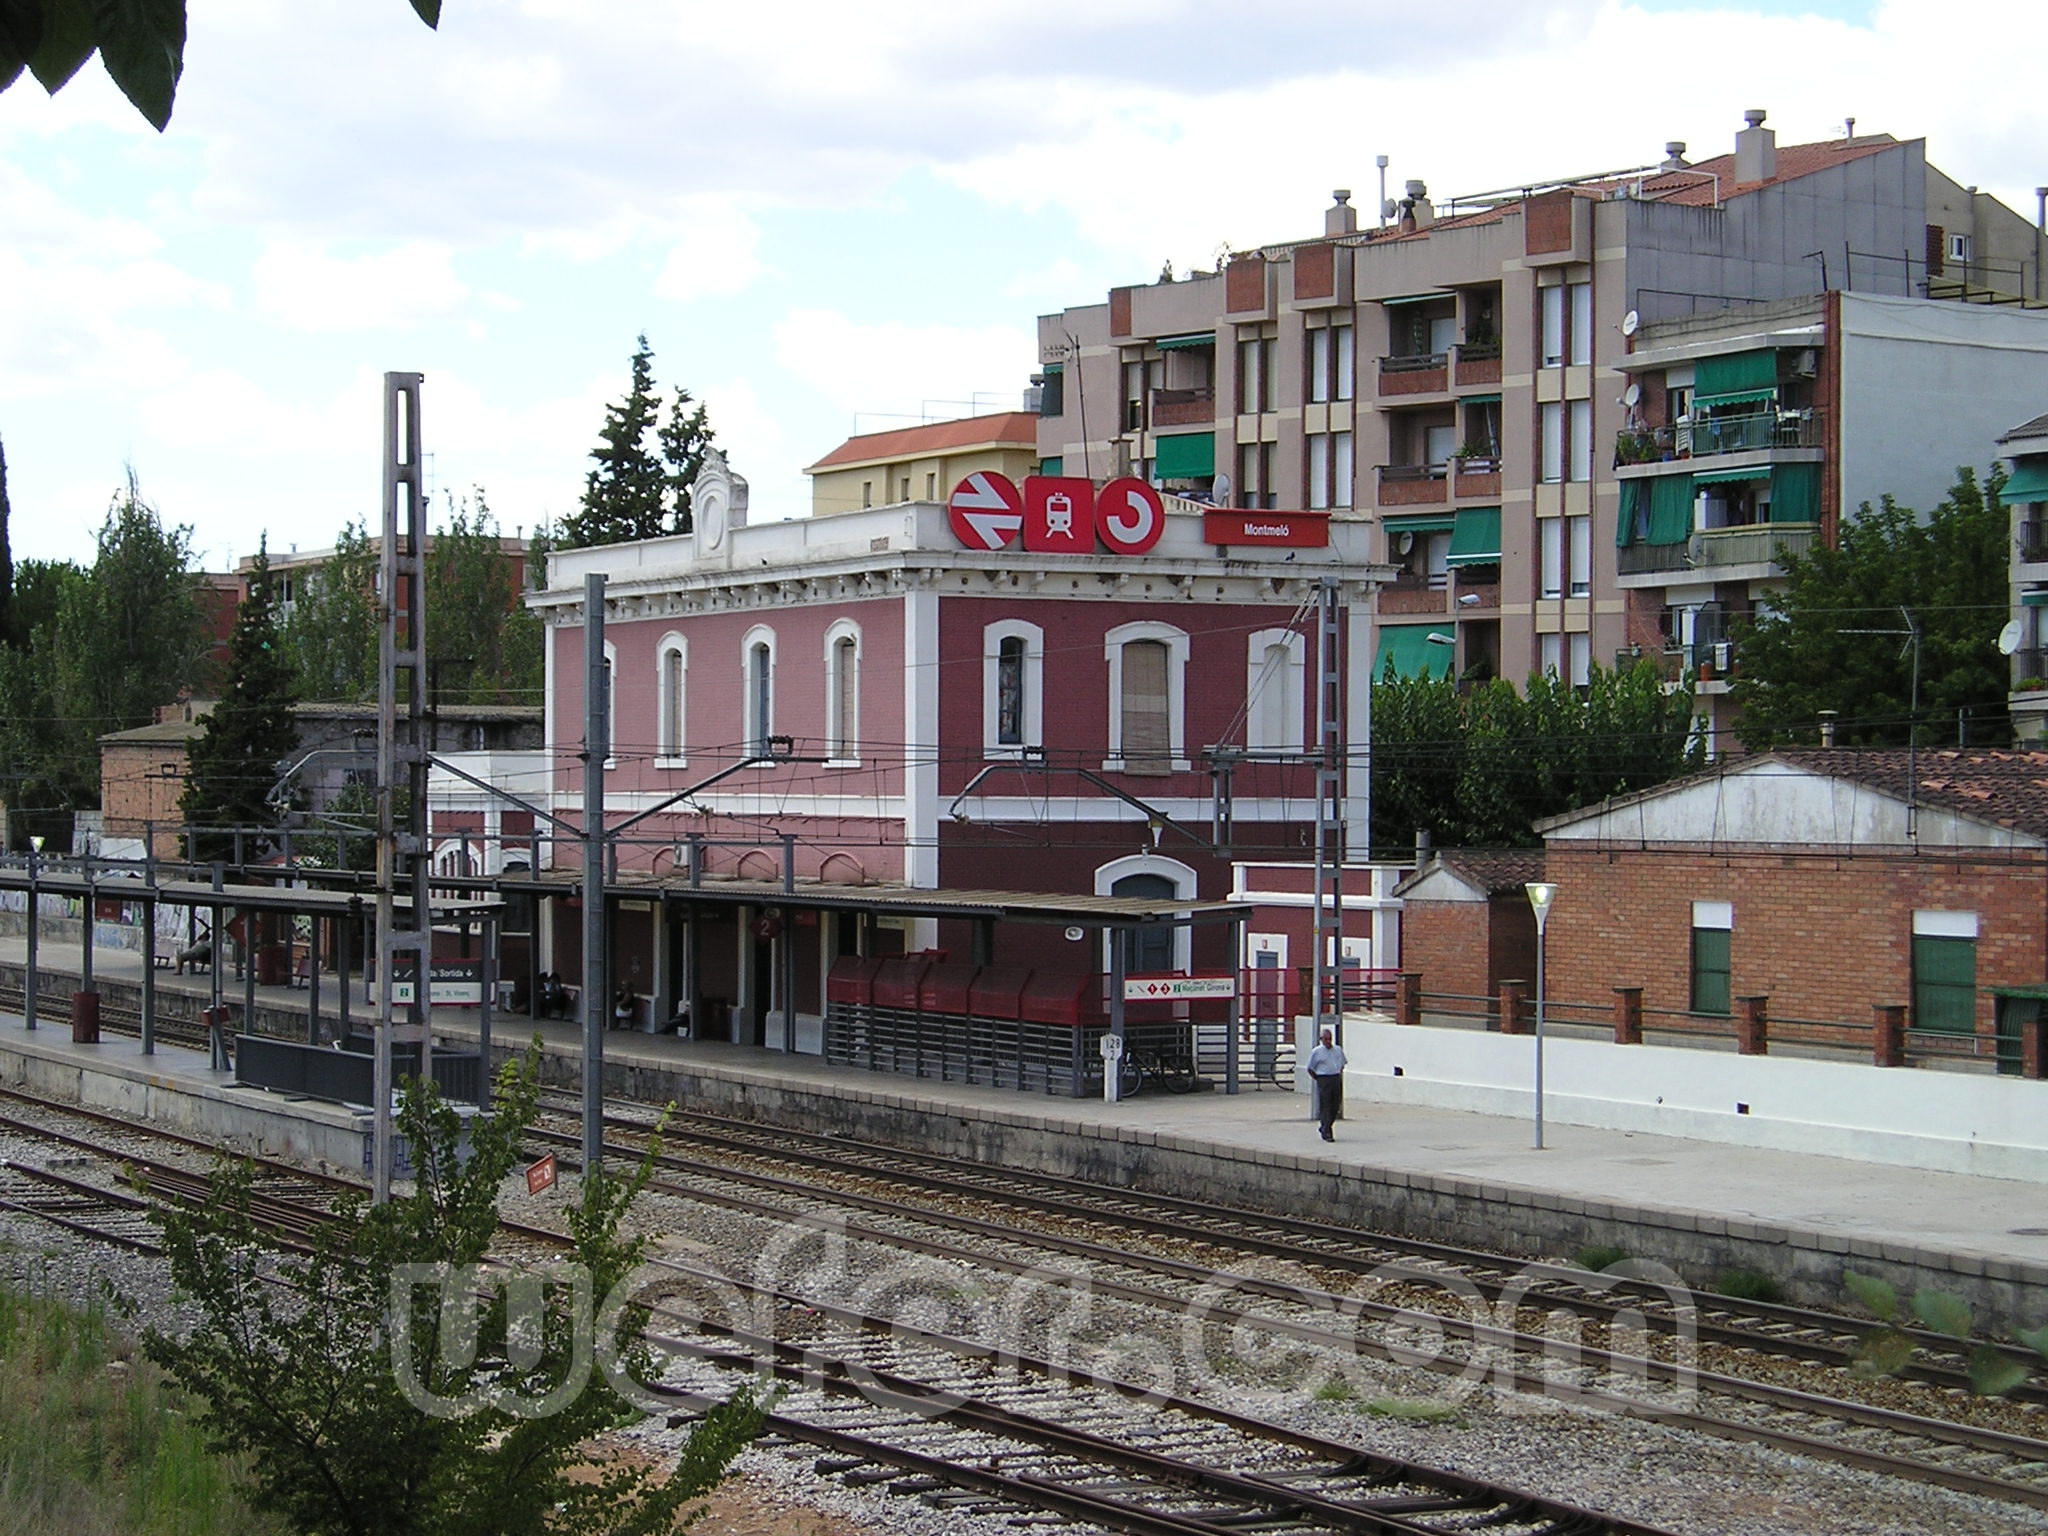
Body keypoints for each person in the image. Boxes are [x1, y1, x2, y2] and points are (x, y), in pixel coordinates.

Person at [1305, 1026, 1347, 1142]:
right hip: (1324, 1078)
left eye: (1330, 1039)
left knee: (1335, 1105)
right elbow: (1310, 1068)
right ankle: (1327, 1131)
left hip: (1335, 1077)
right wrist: (1318, 1079)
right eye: (1326, 1039)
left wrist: (1338, 1071)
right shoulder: (1317, 1052)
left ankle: (1324, 1127)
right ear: (1321, 1039)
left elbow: (1342, 1063)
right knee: (1326, 1105)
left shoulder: (1337, 1049)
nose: (1328, 1042)